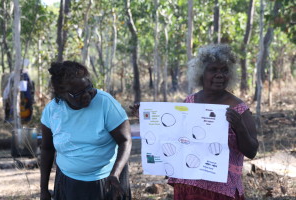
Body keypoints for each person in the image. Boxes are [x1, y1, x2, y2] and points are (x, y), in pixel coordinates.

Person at [130, 44, 259, 200]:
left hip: (221, 190)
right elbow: (173, 136)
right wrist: (147, 117)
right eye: (213, 70)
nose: (220, 75)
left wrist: (240, 127)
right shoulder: (189, 103)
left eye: (224, 70)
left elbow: (252, 151)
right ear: (201, 73)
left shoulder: (239, 109)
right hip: (188, 185)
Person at [40, 61, 132, 200]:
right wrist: (43, 189)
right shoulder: (52, 111)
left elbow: (125, 141)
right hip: (68, 184)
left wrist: (115, 173)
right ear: (62, 93)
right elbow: (47, 149)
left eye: (89, 87)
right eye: (78, 93)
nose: (87, 95)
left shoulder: (106, 103)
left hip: (108, 181)